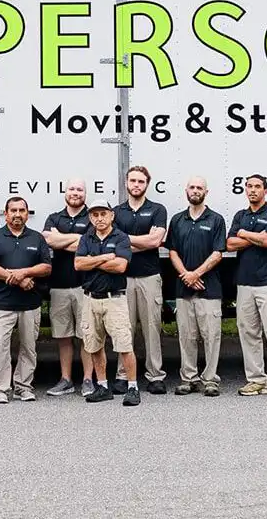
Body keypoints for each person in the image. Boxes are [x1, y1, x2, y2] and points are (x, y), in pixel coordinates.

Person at [0, 196, 52, 404]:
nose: (18, 214)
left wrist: (24, 272)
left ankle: (23, 386)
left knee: (29, 348)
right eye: (13, 210)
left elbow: (46, 267)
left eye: (22, 210)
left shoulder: (37, 238)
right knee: (0, 348)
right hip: (2, 303)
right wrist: (18, 279)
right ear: (6, 214)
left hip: (30, 304)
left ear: (27, 214)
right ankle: (0, 389)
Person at [227, 174, 267, 399]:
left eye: (257, 186)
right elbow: (230, 244)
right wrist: (256, 237)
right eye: (249, 186)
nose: (252, 190)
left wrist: (244, 234)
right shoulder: (240, 216)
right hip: (244, 283)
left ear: (265, 190)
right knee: (248, 333)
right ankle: (256, 380)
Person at [165, 176, 227, 397]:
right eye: (192, 187)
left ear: (206, 192)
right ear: (186, 191)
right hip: (184, 289)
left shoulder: (216, 219)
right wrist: (186, 275)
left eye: (199, 187)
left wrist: (196, 274)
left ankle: (210, 380)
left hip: (209, 289)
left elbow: (218, 253)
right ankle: (188, 378)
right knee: (186, 336)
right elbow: (172, 251)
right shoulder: (177, 220)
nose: (195, 190)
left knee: (211, 336)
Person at [77, 198, 141, 407]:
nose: (99, 218)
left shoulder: (121, 237)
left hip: (114, 300)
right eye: (95, 214)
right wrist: (105, 258)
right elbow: (78, 264)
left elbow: (120, 266)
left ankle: (132, 387)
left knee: (124, 345)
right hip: (90, 299)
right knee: (94, 346)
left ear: (112, 215)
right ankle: (103, 386)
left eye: (103, 213)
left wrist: (92, 260)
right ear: (90, 217)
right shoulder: (86, 238)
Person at [112, 166, 168, 394]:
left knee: (152, 328)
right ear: (126, 183)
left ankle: (155, 376)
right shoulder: (116, 212)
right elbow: (114, 244)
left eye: (141, 181)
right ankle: (123, 375)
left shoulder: (157, 209)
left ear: (147, 184)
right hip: (123, 278)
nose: (136, 185)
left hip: (150, 277)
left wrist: (126, 240)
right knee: (124, 329)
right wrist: (142, 240)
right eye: (133, 181)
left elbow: (155, 242)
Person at [40, 179, 91, 397]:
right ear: (65, 192)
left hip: (84, 286)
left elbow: (88, 243)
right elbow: (48, 240)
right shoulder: (54, 217)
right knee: (63, 336)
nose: (75, 193)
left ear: (85, 193)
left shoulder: (91, 217)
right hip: (59, 286)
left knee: (87, 335)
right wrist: (77, 238)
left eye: (79, 189)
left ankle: (88, 380)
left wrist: (61, 239)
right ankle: (66, 379)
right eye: (72, 189)